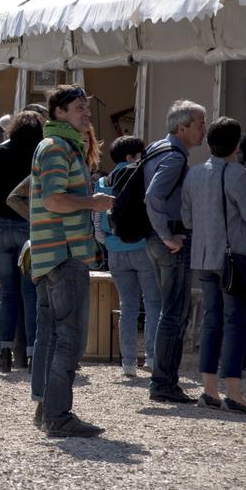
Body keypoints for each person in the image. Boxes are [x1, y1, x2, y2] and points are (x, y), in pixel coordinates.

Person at [28, 85, 111, 437]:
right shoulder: (57, 148)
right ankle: (58, 416)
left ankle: (48, 410)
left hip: (54, 253)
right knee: (69, 339)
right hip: (64, 254)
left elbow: (28, 197)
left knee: (52, 335)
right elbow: (53, 201)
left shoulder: (58, 147)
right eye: (80, 108)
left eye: (87, 108)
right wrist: (92, 204)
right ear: (59, 112)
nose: (87, 114)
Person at [182, 117, 246, 414]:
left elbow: (188, 218)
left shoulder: (193, 174)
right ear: (236, 144)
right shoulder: (237, 173)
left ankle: (209, 390)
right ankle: (234, 392)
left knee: (211, 321)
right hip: (233, 258)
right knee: (235, 323)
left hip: (203, 257)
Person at [143, 100, 208, 405]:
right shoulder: (174, 157)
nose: (203, 130)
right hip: (170, 241)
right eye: (199, 124)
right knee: (174, 313)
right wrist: (166, 234)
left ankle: (163, 379)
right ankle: (164, 382)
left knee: (169, 312)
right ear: (182, 128)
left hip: (156, 240)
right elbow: (154, 195)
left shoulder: (157, 148)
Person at [0, 110, 45, 374]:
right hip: (27, 224)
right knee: (30, 293)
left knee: (7, 292)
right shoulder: (40, 154)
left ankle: (4, 353)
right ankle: (29, 354)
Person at [95, 135, 162, 378]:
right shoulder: (143, 175)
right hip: (142, 248)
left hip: (115, 251)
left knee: (128, 306)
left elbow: (97, 226)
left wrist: (111, 244)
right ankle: (153, 358)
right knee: (154, 303)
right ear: (131, 156)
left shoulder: (103, 181)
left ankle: (128, 363)